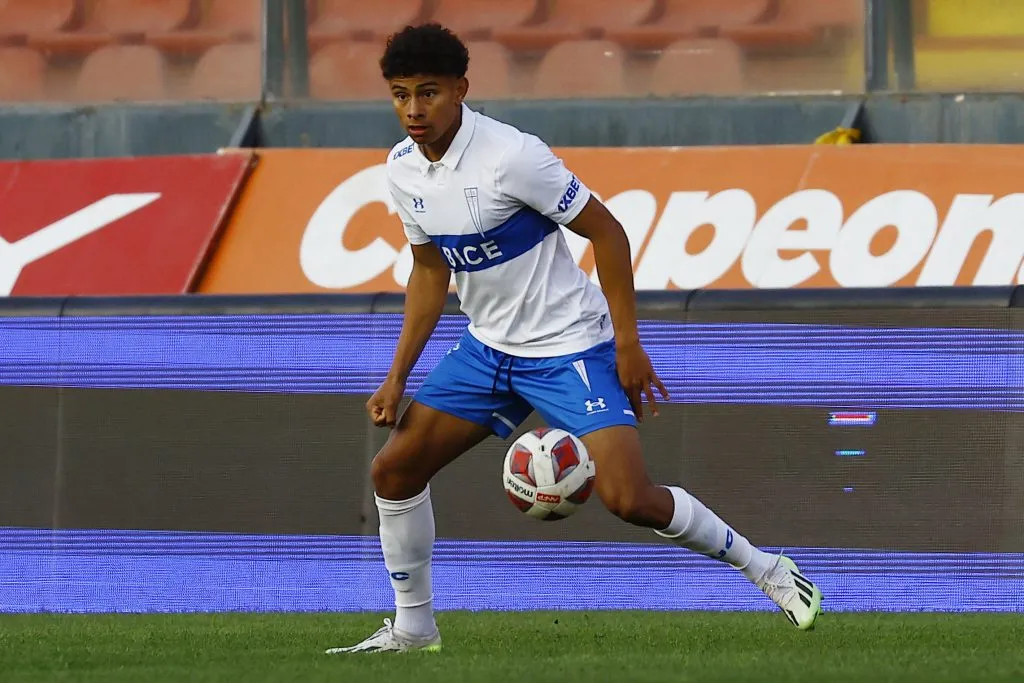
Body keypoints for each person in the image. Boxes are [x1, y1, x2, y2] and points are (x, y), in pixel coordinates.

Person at [326, 23, 823, 655]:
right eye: (400, 95)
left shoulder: (512, 156)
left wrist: (627, 343)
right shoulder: (401, 171)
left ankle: (768, 569)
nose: (414, 110)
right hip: (488, 350)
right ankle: (413, 629)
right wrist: (397, 376)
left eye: (429, 93)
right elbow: (430, 271)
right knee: (393, 470)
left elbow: (608, 232)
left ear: (461, 90)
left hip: (568, 347)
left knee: (630, 499)